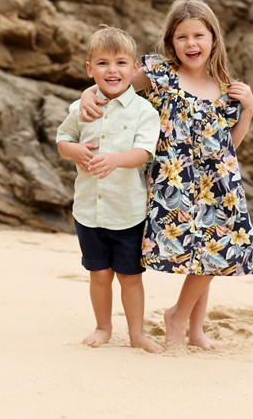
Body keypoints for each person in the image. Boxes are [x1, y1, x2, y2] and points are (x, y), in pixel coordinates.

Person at [79, 0, 253, 349]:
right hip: (173, 183)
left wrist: (248, 110)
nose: (191, 44)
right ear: (171, 42)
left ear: (213, 39)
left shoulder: (226, 89)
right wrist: (88, 93)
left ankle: (193, 327)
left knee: (215, 251)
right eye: (182, 37)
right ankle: (178, 318)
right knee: (200, 254)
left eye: (199, 35)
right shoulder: (161, 75)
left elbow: (228, 145)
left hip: (218, 184)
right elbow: (115, 82)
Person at [56, 26, 164, 354]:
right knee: (99, 274)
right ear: (90, 69)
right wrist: (73, 150)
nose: (112, 70)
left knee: (130, 277)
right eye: (103, 63)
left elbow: (144, 152)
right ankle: (103, 327)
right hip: (89, 210)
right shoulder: (81, 107)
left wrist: (117, 159)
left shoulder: (144, 111)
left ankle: (137, 334)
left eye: (120, 63)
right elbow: (63, 140)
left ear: (134, 68)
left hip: (128, 211)